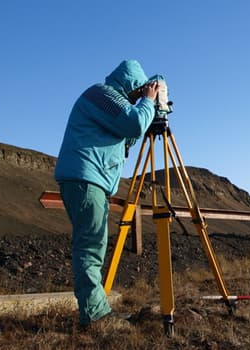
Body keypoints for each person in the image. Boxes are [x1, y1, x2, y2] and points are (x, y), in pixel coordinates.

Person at [54, 60, 160, 327]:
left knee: (93, 244)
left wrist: (152, 107)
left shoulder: (111, 102)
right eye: (138, 90)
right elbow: (134, 124)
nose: (138, 96)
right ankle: (95, 316)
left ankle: (95, 309)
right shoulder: (102, 94)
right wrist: (147, 101)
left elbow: (128, 136)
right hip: (84, 177)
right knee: (90, 246)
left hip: (87, 178)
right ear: (131, 84)